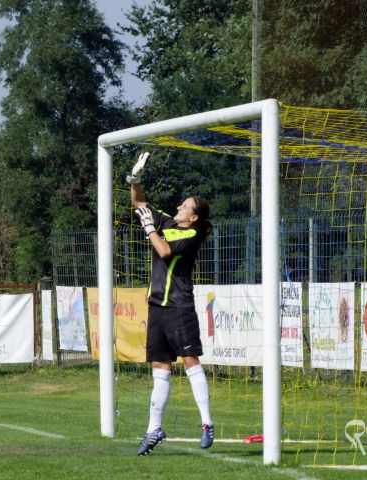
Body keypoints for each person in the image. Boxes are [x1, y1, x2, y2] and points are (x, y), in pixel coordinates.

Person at [127, 152, 214, 456]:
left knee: (190, 362)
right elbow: (139, 203)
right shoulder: (166, 221)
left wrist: (150, 229)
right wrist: (135, 179)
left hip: (180, 308)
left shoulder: (189, 234)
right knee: (159, 369)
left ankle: (206, 423)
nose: (178, 206)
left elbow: (163, 251)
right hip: (157, 309)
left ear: (194, 217)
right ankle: (154, 429)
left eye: (185, 206)